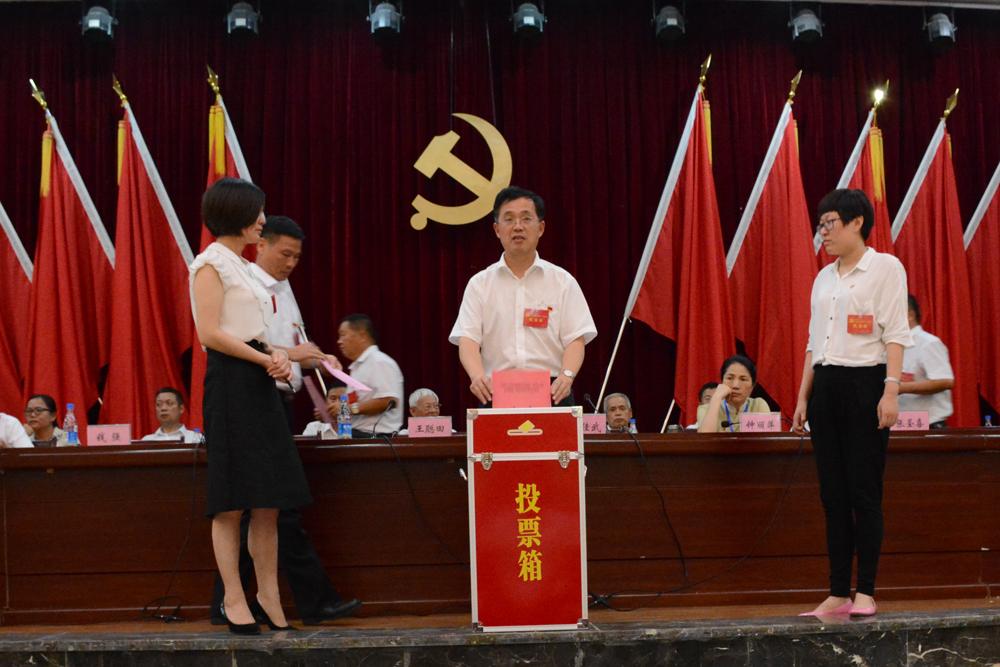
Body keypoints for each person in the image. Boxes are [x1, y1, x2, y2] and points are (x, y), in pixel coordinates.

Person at [190, 177, 312, 634]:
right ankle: (234, 598)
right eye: (258, 212)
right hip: (230, 384)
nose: (263, 220)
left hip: (261, 382)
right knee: (231, 502)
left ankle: (269, 594)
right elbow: (210, 334)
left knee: (269, 501)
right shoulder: (209, 265)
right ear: (237, 214)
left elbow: (254, 332)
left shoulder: (243, 266)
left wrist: (277, 355)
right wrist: (265, 358)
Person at [792, 188, 912, 618]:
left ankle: (867, 591)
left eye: (830, 224)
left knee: (864, 492)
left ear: (857, 222)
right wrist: (803, 396)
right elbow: (814, 343)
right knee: (833, 495)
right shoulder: (823, 278)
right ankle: (838, 591)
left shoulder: (885, 268)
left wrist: (890, 390)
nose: (823, 233)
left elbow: (895, 333)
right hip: (825, 385)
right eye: (820, 225)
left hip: (866, 383)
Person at [449, 186, 597, 406]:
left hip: (553, 390)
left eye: (526, 218)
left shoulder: (562, 281)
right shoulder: (479, 284)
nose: (517, 226)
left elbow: (576, 337)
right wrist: (477, 375)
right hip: (496, 390)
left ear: (541, 228)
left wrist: (567, 375)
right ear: (497, 229)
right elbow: (467, 338)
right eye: (509, 219)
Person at [248, 216, 336, 428]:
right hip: (255, 396)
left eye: (296, 257)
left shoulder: (284, 287)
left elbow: (297, 348)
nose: (291, 264)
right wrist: (292, 353)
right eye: (286, 255)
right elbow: (242, 344)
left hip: (284, 400)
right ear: (261, 245)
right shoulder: (246, 285)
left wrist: (321, 361)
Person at [337, 314, 404, 438]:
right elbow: (355, 402)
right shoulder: (357, 367)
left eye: (343, 335)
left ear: (362, 336)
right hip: (356, 435)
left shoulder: (379, 361)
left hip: (376, 438)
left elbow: (388, 401)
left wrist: (348, 409)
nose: (339, 341)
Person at [898, 295, 954, 429]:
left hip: (928, 427)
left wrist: (899, 388)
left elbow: (945, 381)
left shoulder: (928, 343)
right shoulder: (892, 346)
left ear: (909, 315)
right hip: (900, 425)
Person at [696, 356, 770, 433]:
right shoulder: (706, 408)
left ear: (752, 386)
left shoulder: (758, 405)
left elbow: (767, 438)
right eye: (730, 378)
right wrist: (716, 397)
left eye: (743, 379)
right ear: (722, 382)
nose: (735, 385)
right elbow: (705, 438)